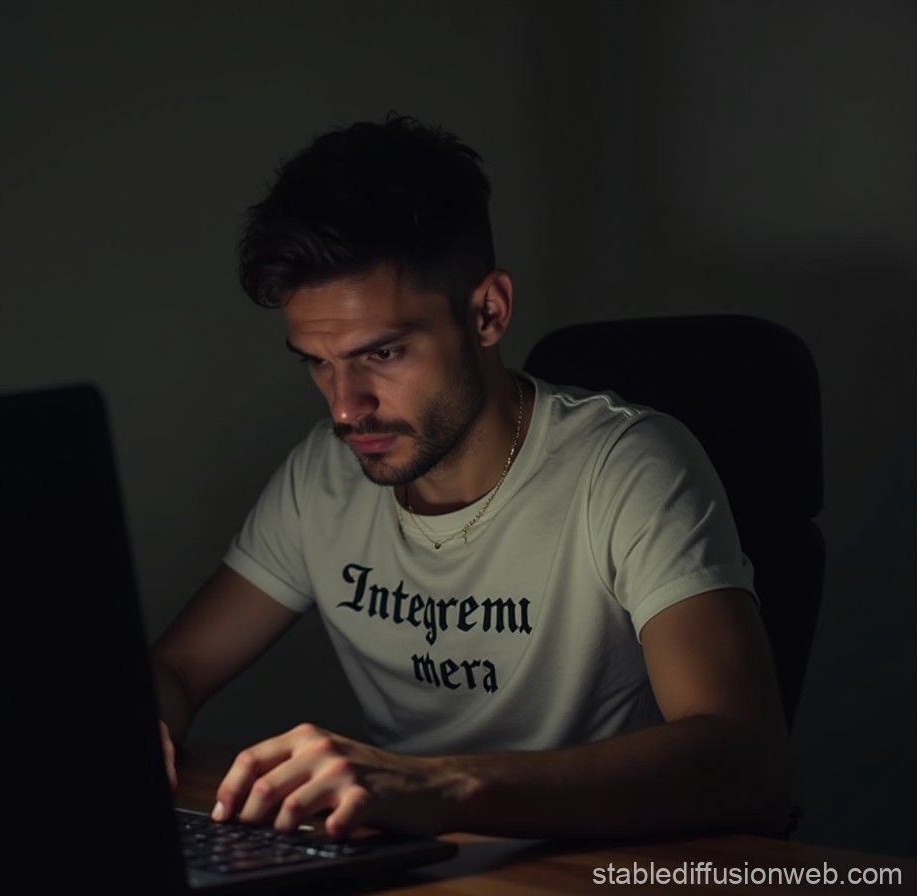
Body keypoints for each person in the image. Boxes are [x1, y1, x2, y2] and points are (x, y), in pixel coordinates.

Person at [150, 114, 791, 841]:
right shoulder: (323, 478)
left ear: (487, 313)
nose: (345, 407)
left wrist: (440, 786)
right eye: (317, 362)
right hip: (416, 861)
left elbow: (748, 763)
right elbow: (175, 668)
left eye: (382, 355)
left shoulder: (629, 466)